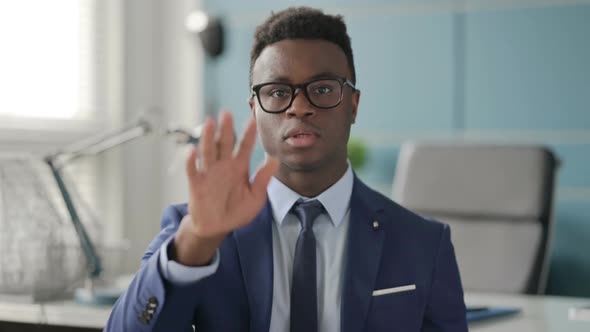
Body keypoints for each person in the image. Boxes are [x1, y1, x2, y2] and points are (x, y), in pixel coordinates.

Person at [105, 6, 467, 332]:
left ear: (353, 105)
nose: (299, 107)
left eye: (322, 89)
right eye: (277, 92)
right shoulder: (196, 229)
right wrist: (196, 241)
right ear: (254, 109)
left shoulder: (423, 242)